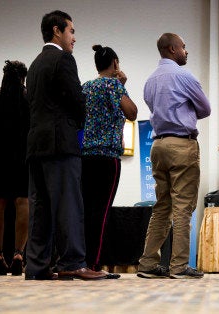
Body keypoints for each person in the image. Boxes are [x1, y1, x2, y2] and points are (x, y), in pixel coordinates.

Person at [24, 10, 105, 281]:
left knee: (40, 208)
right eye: (71, 31)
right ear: (57, 31)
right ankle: (72, 262)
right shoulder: (63, 59)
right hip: (61, 144)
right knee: (69, 205)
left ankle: (36, 266)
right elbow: (77, 100)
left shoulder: (35, 64)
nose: (74, 38)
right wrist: (78, 128)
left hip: (36, 145)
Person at [137, 33, 210, 279]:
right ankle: (179, 266)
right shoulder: (184, 75)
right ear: (172, 49)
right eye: (183, 47)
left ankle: (147, 263)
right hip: (182, 144)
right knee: (182, 208)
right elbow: (205, 108)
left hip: (158, 145)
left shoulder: (150, 80)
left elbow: (152, 107)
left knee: (161, 207)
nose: (186, 51)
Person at [81, 45, 137, 276]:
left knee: (85, 210)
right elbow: (132, 112)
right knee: (101, 212)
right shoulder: (114, 85)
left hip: (85, 156)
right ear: (115, 63)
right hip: (107, 157)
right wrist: (122, 85)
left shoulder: (86, 86)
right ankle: (94, 264)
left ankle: (80, 260)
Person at [0, 60, 30, 276]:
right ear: (24, 77)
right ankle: (19, 253)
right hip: (22, 151)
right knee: (23, 200)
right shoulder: (29, 97)